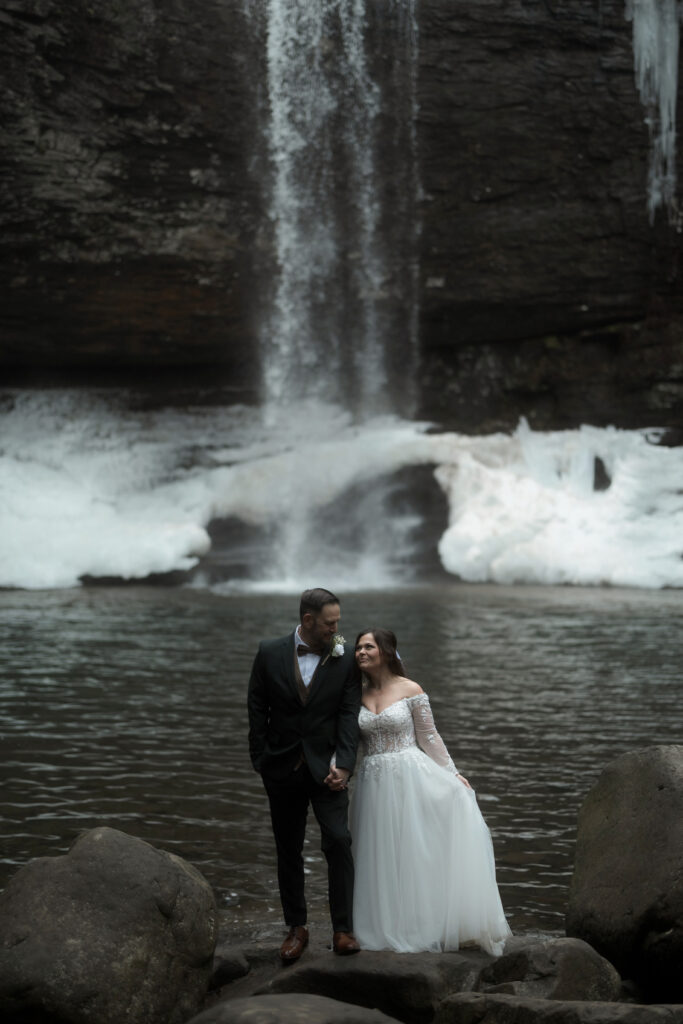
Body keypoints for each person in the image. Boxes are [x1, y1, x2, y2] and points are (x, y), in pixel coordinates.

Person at [350, 627, 512, 955]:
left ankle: (421, 922)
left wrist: (452, 774)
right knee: (378, 853)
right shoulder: (355, 695)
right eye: (358, 648)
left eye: (368, 646)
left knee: (413, 851)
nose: (361, 652)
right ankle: (383, 925)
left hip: (409, 777)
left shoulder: (410, 689)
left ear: (385, 651)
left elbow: (429, 737)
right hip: (372, 781)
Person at [247, 588, 362, 962]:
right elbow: (256, 708)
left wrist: (344, 763)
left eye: (338, 622)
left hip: (327, 769)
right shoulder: (269, 652)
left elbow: (348, 714)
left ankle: (343, 929)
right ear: (308, 621)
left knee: (339, 840)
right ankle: (296, 927)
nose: (336, 629)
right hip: (281, 769)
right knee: (288, 849)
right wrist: (260, 760)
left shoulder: (344, 658)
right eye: (330, 623)